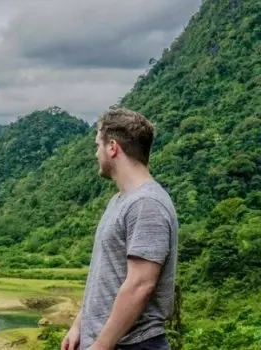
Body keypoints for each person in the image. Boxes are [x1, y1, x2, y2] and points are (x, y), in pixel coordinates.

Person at [62, 108, 179, 350]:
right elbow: (107, 276)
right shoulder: (120, 201)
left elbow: (140, 286)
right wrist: (79, 326)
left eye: (98, 145)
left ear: (112, 147)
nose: (96, 153)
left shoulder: (147, 205)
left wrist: (100, 346)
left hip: (132, 344)